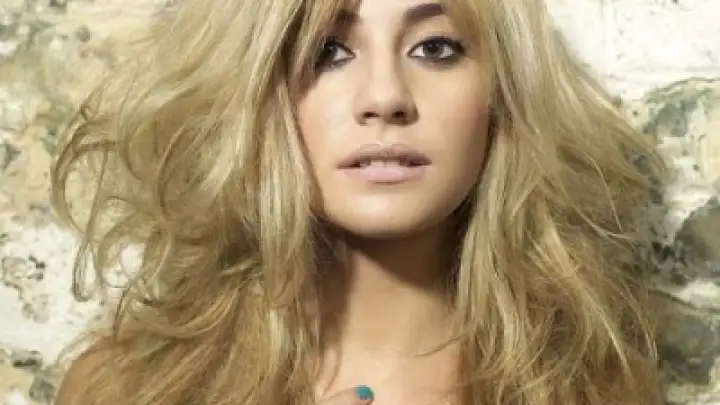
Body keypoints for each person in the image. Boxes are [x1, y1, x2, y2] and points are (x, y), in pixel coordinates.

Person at [50, 0, 668, 404]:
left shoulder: (599, 389)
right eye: (327, 51)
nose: (385, 98)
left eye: (435, 48)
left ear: (502, 95)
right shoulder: (123, 388)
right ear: (254, 93)